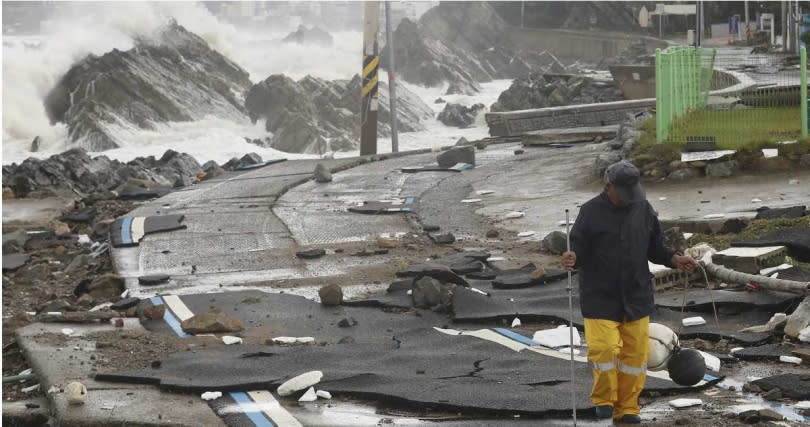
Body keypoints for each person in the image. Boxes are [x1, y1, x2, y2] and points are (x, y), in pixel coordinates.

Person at [561, 161, 698, 424]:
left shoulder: (643, 209)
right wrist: (571, 258)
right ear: (608, 185)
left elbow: (655, 248)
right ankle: (604, 400)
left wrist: (674, 259)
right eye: (623, 193)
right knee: (605, 350)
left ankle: (628, 407)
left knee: (635, 356)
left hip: (636, 294)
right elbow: (577, 250)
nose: (628, 199)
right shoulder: (589, 212)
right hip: (600, 295)